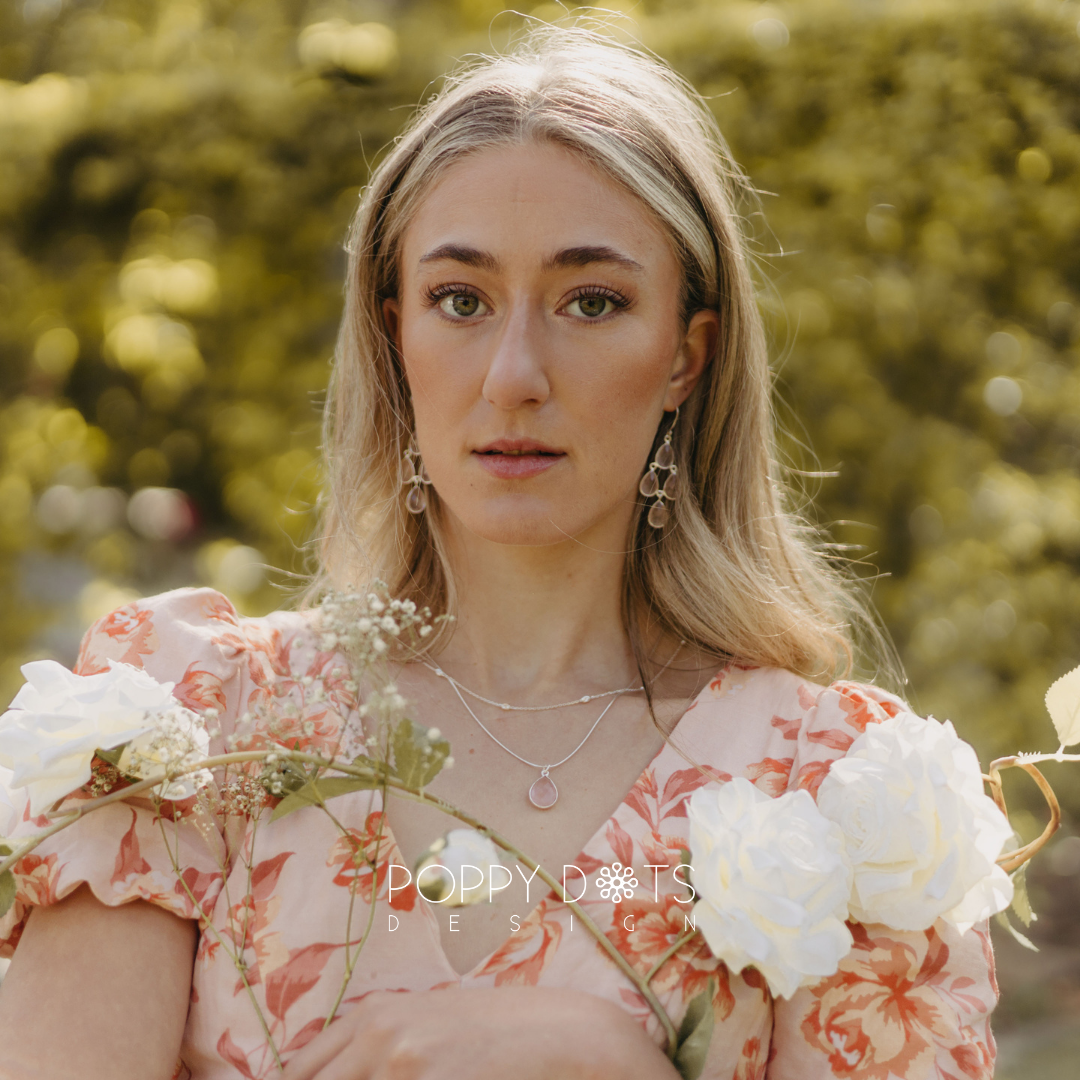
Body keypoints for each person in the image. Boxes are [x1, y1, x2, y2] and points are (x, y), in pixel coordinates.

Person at [0, 25, 998, 1080]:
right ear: (395, 336)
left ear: (686, 358)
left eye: (593, 301)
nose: (514, 372)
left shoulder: (843, 793)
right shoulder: (194, 732)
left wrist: (609, 1065)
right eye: (460, 300)